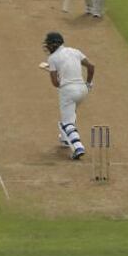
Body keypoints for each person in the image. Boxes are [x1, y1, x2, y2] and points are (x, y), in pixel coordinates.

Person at [43, 32, 94, 160]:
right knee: (71, 113)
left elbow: (55, 83)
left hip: (68, 91)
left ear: (54, 45)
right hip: (83, 89)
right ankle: (66, 139)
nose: (47, 47)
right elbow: (91, 66)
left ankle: (78, 147)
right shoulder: (75, 51)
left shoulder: (52, 58)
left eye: (48, 44)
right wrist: (88, 84)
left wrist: (59, 77)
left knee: (66, 123)